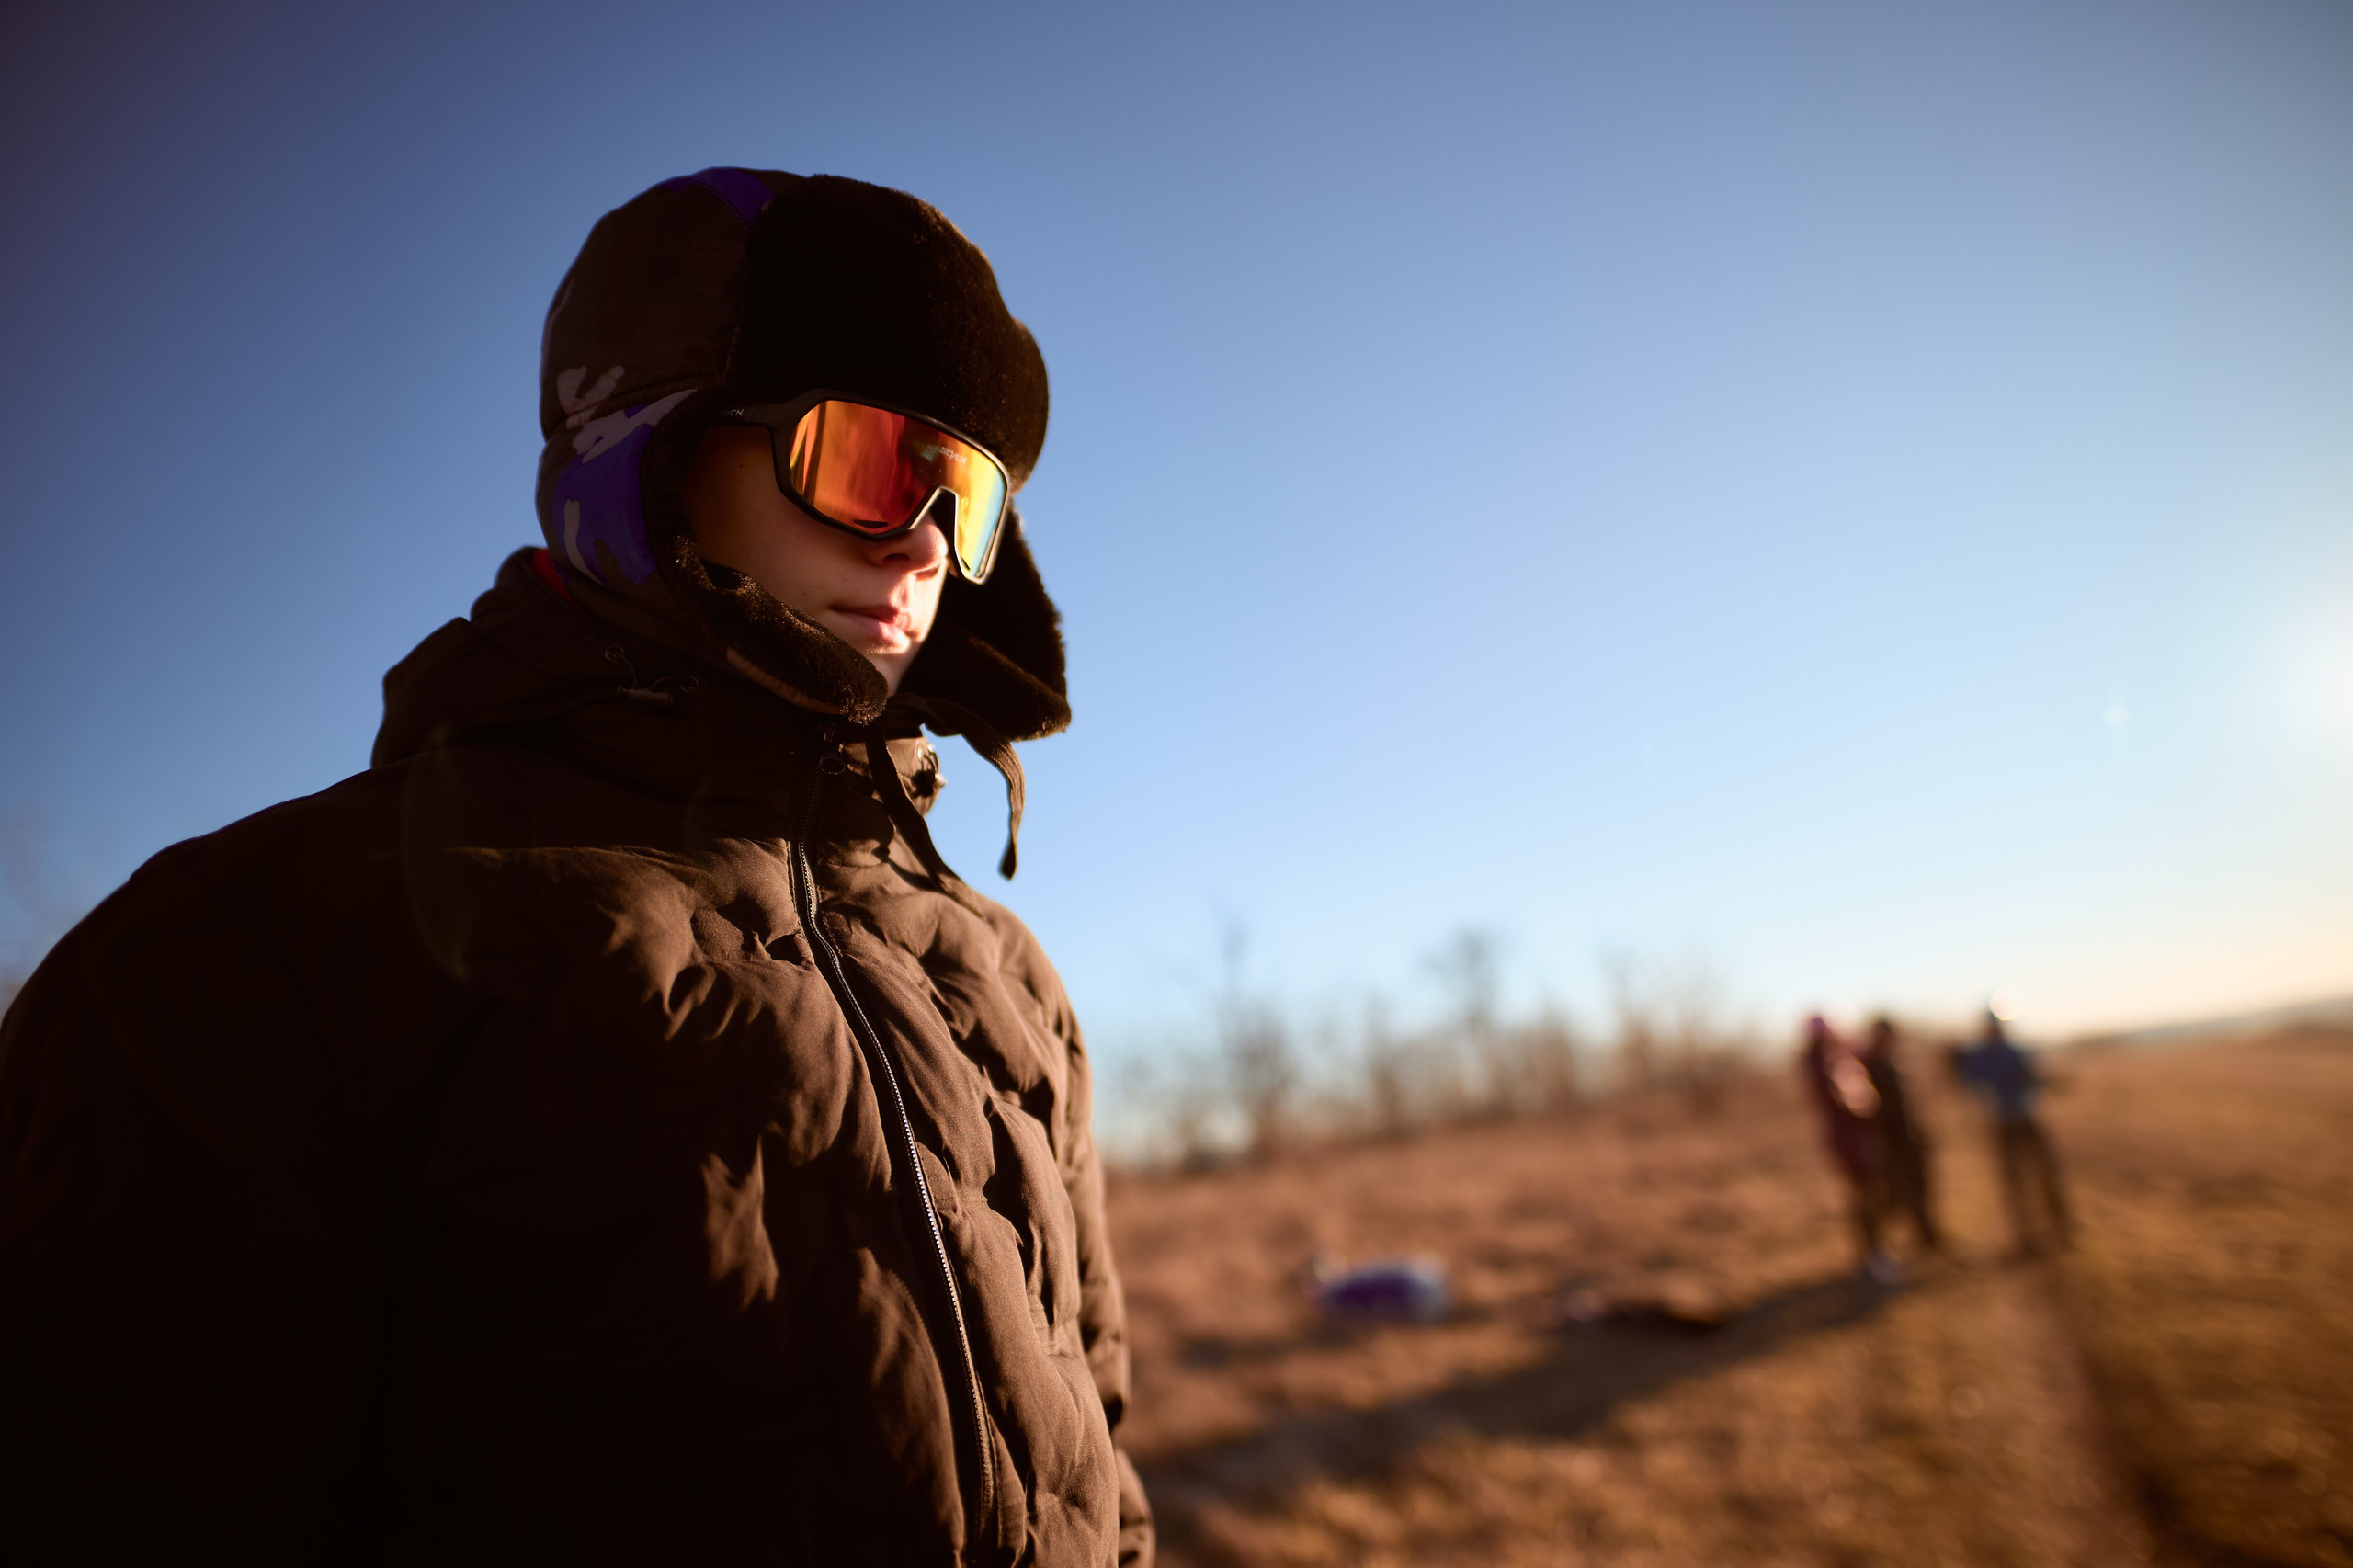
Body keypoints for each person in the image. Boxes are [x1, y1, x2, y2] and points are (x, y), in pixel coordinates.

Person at [0, 169, 1151, 1564]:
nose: (920, 541)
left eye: (965, 496)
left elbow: (1098, 1450)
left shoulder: (995, 963)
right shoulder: (253, 953)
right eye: (865, 456)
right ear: (648, 448)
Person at [1952, 1008, 2074, 1254]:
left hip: (2025, 1119)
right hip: (2004, 1122)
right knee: (2015, 1179)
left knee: (2045, 1173)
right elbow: (1966, 1078)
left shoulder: (2012, 1051)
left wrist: (2049, 1081)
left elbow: (2033, 1077)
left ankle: (2060, 1225)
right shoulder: (1979, 1056)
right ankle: (2026, 1233)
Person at [1798, 1014, 1897, 1283]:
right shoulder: (1826, 1066)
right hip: (1854, 1141)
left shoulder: (1831, 1061)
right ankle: (1873, 1257)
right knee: (1866, 1196)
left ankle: (1876, 1254)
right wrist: (1869, 1111)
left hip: (1853, 1139)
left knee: (1869, 1195)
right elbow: (1853, 1103)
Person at [1860, 1015, 1943, 1254]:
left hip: (1913, 1137)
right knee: (1893, 1194)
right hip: (1890, 1142)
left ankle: (1929, 1237)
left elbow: (1916, 1101)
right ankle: (1885, 1247)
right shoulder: (1870, 1066)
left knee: (1922, 1187)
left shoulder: (1904, 1061)